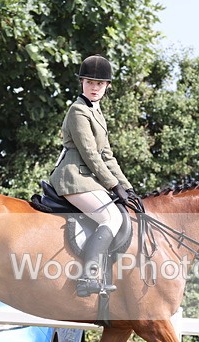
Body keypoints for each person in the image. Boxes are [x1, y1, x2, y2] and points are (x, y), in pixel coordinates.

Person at [49, 54, 136, 297]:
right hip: (74, 177)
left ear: (107, 86)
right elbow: (89, 154)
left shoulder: (96, 113)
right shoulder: (78, 111)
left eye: (99, 84)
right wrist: (112, 184)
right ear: (82, 83)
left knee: (119, 211)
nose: (94, 87)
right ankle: (88, 276)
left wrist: (126, 188)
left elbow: (107, 155)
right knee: (111, 217)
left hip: (88, 177)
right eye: (89, 82)